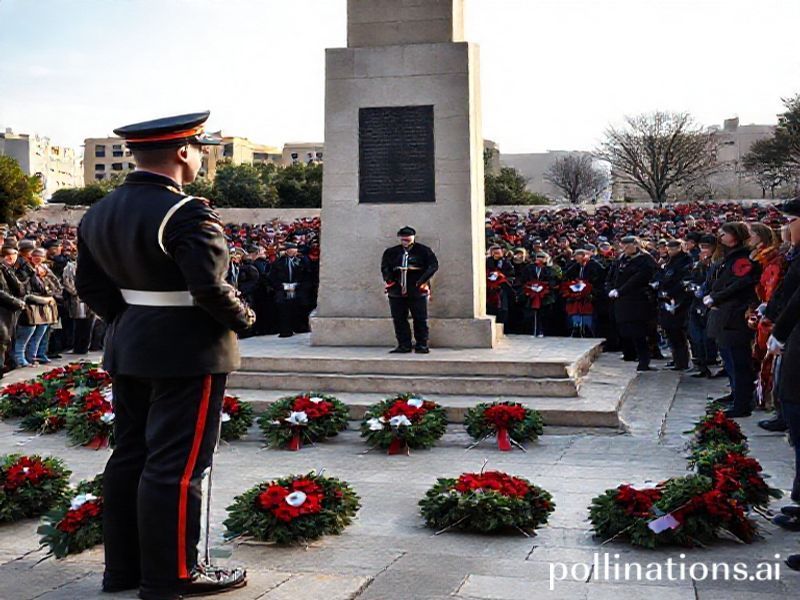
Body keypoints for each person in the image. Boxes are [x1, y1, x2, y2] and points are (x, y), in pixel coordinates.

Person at [75, 111, 254, 600]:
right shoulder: (186, 212)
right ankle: (171, 576)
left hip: (130, 344)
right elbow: (210, 288)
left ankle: (123, 571)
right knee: (176, 466)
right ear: (182, 151)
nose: (199, 158)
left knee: (130, 456)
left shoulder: (99, 210)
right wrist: (245, 319)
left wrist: (133, 320)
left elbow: (89, 286)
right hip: (186, 350)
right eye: (199, 149)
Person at [705, 222, 761, 418]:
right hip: (724, 314)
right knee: (729, 359)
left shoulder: (742, 258)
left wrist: (716, 297)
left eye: (724, 233)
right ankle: (735, 393)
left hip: (734, 314)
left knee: (738, 362)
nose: (720, 236)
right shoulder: (728, 257)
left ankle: (742, 403)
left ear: (735, 235)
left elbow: (739, 283)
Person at [381, 226, 438, 354]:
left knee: (420, 318)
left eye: (408, 237)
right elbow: (385, 267)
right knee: (399, 318)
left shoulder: (423, 251)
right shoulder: (391, 252)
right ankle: (404, 345)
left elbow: (433, 266)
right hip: (396, 290)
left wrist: (422, 281)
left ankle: (422, 344)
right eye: (403, 238)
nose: (405, 240)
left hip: (417, 289)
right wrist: (390, 280)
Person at [608, 236, 657, 372]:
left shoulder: (645, 259)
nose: (624, 248)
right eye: (623, 245)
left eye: (627, 245)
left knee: (639, 332)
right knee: (624, 330)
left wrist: (621, 290)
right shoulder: (621, 259)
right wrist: (610, 288)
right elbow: (612, 276)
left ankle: (644, 361)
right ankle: (629, 354)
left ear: (636, 245)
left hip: (637, 300)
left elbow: (639, 278)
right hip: (620, 300)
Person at [654, 240, 693, 371]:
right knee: (670, 332)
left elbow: (683, 281)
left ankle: (682, 361)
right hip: (666, 299)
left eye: (672, 248)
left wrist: (670, 292)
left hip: (678, 300)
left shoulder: (685, 261)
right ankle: (676, 359)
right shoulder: (668, 261)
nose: (669, 251)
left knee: (677, 333)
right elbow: (662, 277)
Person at [268, 242, 311, 337]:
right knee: (284, 310)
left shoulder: (301, 262)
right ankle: (285, 330)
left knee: (298, 308)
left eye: (293, 249)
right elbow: (272, 277)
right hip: (283, 289)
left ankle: (299, 327)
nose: (291, 251)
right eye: (289, 249)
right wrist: (282, 286)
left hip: (297, 289)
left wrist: (297, 285)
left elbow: (306, 276)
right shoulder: (279, 262)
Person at [0, 246, 26, 377]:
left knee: (5, 342)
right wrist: (16, 302)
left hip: (7, 312)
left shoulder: (6, 269)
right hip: (3, 310)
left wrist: (7, 270)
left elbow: (20, 290)